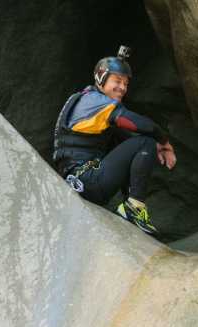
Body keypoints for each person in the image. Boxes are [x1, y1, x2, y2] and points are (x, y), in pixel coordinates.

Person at [53, 45, 176, 235]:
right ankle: (133, 209)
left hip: (77, 181)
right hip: (88, 180)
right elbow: (142, 126)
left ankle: (131, 208)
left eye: (126, 84)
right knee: (145, 142)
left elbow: (128, 142)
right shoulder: (96, 102)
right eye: (117, 81)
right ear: (101, 78)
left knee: (131, 143)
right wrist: (164, 142)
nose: (123, 88)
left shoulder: (86, 101)